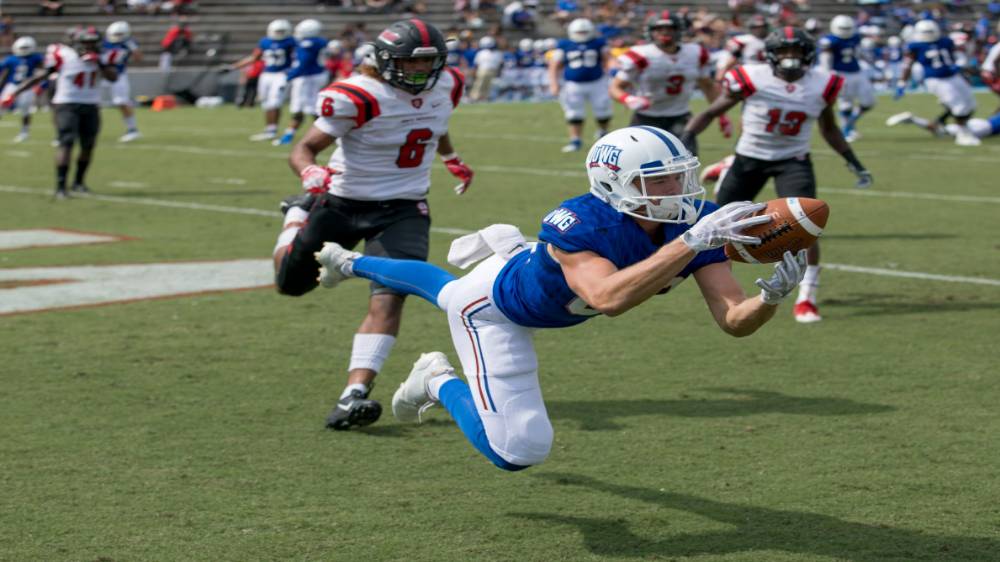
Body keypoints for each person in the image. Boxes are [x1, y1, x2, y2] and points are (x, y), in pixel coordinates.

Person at [310, 126, 808, 470]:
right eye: (659, 179)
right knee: (517, 451)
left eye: (680, 174)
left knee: (438, 286)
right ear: (614, 184)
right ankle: (437, 379)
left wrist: (769, 299)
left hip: (533, 282)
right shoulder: (584, 218)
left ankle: (347, 262)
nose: (677, 187)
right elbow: (608, 297)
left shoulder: (693, 221)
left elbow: (734, 320)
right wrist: (692, 242)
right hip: (495, 309)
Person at [272, 18, 475, 430]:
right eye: (410, 63)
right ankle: (296, 215)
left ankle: (354, 395)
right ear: (384, 61)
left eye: (428, 63)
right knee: (290, 283)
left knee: (390, 294)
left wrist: (451, 158)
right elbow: (305, 148)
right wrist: (309, 173)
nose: (421, 72)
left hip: (404, 207)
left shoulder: (447, 84)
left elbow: (436, 123)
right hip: (344, 203)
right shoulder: (358, 96)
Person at [681, 27, 873, 324]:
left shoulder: (823, 83)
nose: (790, 58)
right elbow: (713, 110)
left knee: (806, 226)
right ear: (771, 55)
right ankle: (720, 289)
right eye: (784, 51)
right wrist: (690, 134)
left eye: (796, 51)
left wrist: (852, 159)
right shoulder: (753, 77)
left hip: (792, 160)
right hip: (749, 158)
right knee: (718, 223)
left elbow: (829, 127)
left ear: (807, 55)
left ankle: (807, 296)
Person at [2, 27, 118, 198]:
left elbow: (113, 77)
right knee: (67, 142)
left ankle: (79, 183)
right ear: (77, 43)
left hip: (91, 104)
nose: (90, 46)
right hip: (66, 103)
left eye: (93, 43)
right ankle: (61, 187)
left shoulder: (103, 56)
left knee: (88, 145)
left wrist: (99, 62)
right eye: (86, 43)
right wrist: (15, 92)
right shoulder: (63, 55)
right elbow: (42, 75)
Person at [609, 11, 728, 156]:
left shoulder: (695, 53)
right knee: (640, 164)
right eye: (659, 29)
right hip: (646, 117)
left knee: (686, 164)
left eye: (670, 29)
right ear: (651, 32)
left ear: (679, 31)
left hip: (681, 117)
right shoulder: (640, 55)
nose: (664, 33)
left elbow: (707, 86)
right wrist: (629, 99)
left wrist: (721, 115)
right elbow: (615, 88)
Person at [895, 19, 979, 146]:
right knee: (959, 106)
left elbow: (958, 55)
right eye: (926, 32)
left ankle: (950, 126)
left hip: (953, 76)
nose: (929, 34)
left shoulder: (946, 41)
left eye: (930, 31)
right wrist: (902, 83)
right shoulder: (915, 46)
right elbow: (907, 65)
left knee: (971, 104)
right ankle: (962, 135)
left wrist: (959, 65)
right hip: (936, 80)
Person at [548, 18, 612, 153]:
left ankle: (603, 132)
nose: (582, 35)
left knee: (603, 109)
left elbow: (608, 59)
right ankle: (575, 140)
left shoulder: (599, 43)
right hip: (572, 84)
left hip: (597, 82)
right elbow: (554, 66)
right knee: (574, 113)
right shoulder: (564, 44)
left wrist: (612, 73)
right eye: (579, 32)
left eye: (584, 32)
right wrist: (554, 83)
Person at [229, 19, 295, 141]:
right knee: (266, 103)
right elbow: (254, 57)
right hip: (266, 75)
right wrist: (233, 66)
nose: (280, 34)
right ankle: (269, 130)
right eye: (277, 31)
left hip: (281, 74)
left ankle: (272, 131)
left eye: (282, 31)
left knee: (275, 103)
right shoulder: (265, 42)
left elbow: (298, 58)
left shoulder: (291, 42)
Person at [819, 15, 876, 142]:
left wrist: (870, 62)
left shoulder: (855, 37)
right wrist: (828, 73)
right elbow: (825, 60)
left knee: (869, 101)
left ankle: (850, 124)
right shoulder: (829, 40)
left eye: (848, 28)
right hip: (840, 73)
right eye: (843, 28)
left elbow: (858, 52)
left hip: (857, 72)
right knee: (846, 103)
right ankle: (847, 130)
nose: (845, 30)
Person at [272, 19, 327, 146]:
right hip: (316, 76)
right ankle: (290, 134)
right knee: (309, 108)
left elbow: (303, 63)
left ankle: (290, 136)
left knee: (308, 108)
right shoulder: (319, 41)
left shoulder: (308, 44)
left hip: (307, 78)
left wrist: (289, 76)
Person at [102, 20, 142, 142]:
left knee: (121, 102)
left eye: (119, 34)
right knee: (87, 103)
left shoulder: (129, 43)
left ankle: (132, 129)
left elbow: (138, 59)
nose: (116, 37)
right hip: (100, 75)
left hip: (118, 75)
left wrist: (134, 49)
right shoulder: (102, 42)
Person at [0, 36, 44, 142]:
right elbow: (3, 71)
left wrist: (40, 85)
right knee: (1, 107)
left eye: (26, 48)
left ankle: (24, 132)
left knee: (25, 110)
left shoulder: (36, 58)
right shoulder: (11, 59)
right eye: (22, 48)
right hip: (12, 85)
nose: (23, 50)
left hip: (27, 87)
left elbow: (43, 70)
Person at [715, 14, 769, 81]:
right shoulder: (743, 40)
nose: (760, 30)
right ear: (751, 28)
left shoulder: (771, 40)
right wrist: (722, 73)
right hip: (748, 74)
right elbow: (730, 57)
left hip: (767, 73)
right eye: (756, 27)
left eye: (762, 27)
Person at [886, 110, 1000, 141]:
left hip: (981, 123)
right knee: (941, 132)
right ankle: (913, 119)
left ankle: (914, 120)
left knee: (942, 131)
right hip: (985, 128)